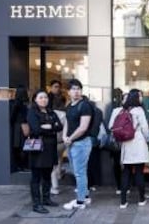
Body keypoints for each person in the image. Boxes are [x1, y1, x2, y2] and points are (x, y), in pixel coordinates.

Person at [27, 90, 63, 213]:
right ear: (35, 100)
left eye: (45, 97)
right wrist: (51, 127)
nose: (44, 99)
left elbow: (60, 127)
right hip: (37, 147)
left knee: (47, 175)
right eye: (41, 97)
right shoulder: (32, 112)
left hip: (50, 147)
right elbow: (36, 130)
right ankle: (36, 204)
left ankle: (46, 199)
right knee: (36, 177)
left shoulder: (51, 111)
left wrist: (48, 126)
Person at [62, 79, 94, 211]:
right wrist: (65, 136)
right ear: (68, 92)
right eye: (73, 89)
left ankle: (80, 201)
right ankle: (85, 196)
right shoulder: (70, 106)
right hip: (71, 143)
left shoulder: (84, 105)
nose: (76, 91)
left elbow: (83, 127)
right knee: (78, 172)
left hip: (81, 143)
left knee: (80, 173)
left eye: (78, 89)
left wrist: (70, 138)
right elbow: (67, 123)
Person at [119, 89, 149, 209]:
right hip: (137, 142)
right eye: (140, 96)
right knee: (139, 172)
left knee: (126, 172)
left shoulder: (125, 110)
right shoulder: (139, 110)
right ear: (137, 98)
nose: (142, 98)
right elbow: (145, 128)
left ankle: (123, 202)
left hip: (126, 144)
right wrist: (147, 139)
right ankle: (141, 199)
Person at [108, 91, 128, 195]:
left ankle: (127, 186)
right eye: (125, 98)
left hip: (130, 142)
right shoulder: (116, 110)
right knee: (117, 164)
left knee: (128, 165)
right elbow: (110, 125)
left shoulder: (135, 111)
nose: (127, 100)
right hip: (118, 141)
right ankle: (120, 186)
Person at [10, 86, 30, 172]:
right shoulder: (26, 103)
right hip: (25, 126)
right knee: (24, 147)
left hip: (17, 127)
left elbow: (12, 117)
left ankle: (19, 165)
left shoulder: (15, 103)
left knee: (17, 147)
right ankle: (23, 165)